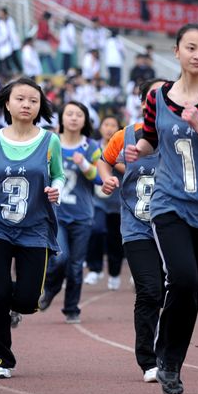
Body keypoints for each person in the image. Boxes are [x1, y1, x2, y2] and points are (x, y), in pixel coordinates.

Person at [125, 23, 198, 394]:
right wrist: (139, 151)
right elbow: (150, 138)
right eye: (190, 47)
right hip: (169, 203)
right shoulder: (157, 95)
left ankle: (171, 359)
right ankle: (166, 359)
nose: (197, 55)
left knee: (192, 294)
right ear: (176, 51)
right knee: (184, 279)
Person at [0, 76, 64, 378]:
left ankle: (16, 308)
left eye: (33, 100)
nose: (27, 104)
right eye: (20, 98)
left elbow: (58, 175)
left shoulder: (49, 141)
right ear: (7, 103)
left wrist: (57, 189)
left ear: (40, 105)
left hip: (35, 227)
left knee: (30, 299)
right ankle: (2, 359)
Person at [98, 78, 166, 383]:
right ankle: (148, 359)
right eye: (155, 95)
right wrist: (107, 178)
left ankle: (169, 350)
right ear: (142, 104)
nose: (164, 99)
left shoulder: (182, 134)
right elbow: (104, 162)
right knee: (149, 291)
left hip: (175, 228)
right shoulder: (124, 136)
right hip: (137, 226)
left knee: (176, 292)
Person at [38, 101, 101, 324]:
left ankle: (71, 307)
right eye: (69, 114)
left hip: (83, 215)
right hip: (56, 214)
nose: (74, 118)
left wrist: (84, 164)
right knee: (60, 258)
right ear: (62, 118)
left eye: (79, 114)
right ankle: (50, 289)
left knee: (76, 266)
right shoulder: (49, 143)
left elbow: (101, 178)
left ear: (85, 120)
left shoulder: (91, 147)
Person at [84, 115, 125, 290]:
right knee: (96, 229)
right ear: (100, 128)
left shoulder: (123, 145)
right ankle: (95, 269)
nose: (109, 128)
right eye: (106, 124)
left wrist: (109, 159)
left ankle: (115, 274)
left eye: (113, 125)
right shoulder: (92, 147)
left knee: (115, 238)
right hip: (97, 199)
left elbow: (129, 167)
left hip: (117, 201)